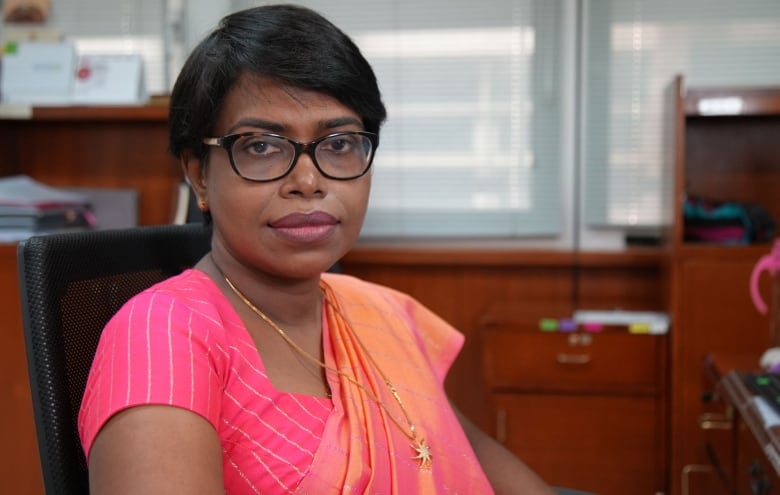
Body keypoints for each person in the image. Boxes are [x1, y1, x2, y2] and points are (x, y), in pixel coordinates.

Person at [78, 4, 556, 494]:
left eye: (339, 143)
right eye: (262, 146)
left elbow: (467, 456)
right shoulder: (160, 339)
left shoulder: (378, 312)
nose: (308, 181)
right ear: (199, 173)